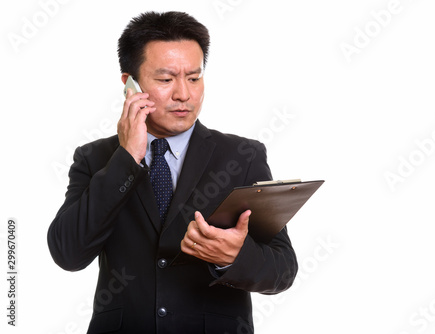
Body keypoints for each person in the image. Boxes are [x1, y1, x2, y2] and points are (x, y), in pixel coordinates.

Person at [47, 11, 298, 334]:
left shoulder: (242, 156)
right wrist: (126, 158)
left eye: (194, 78)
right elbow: (68, 253)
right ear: (130, 85)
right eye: (166, 80)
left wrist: (233, 257)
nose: (184, 94)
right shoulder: (95, 158)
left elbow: (283, 269)